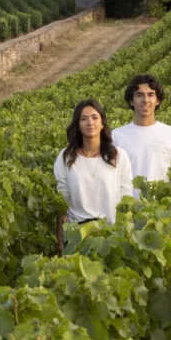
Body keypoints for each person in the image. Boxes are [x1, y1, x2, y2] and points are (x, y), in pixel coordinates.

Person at [54, 99, 134, 250]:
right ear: (77, 125)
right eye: (83, 119)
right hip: (77, 234)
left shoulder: (118, 156)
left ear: (102, 123)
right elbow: (62, 198)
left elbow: (126, 195)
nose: (90, 122)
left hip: (110, 233)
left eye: (94, 117)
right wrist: (60, 240)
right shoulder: (66, 157)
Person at [112, 74, 171, 187]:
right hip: (128, 203)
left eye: (151, 95)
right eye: (139, 95)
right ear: (131, 101)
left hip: (162, 204)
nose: (145, 100)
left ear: (157, 100)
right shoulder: (117, 136)